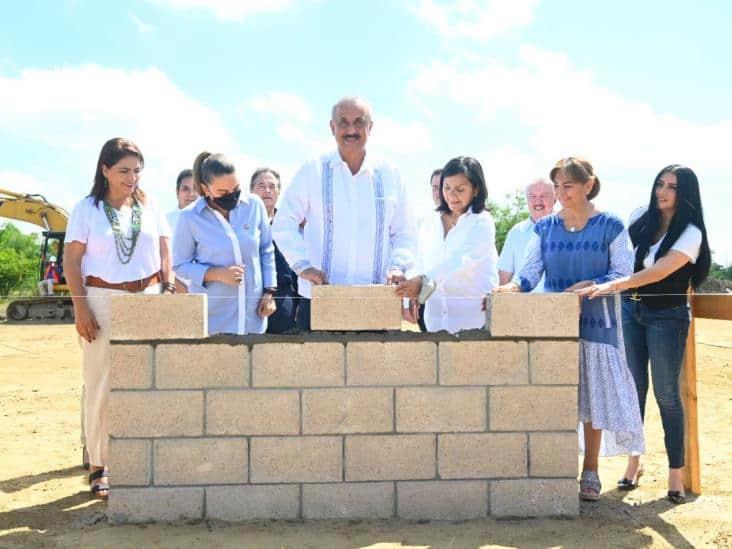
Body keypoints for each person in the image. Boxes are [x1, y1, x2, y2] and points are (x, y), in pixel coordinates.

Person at [494, 157, 645, 502]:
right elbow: (530, 271)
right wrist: (514, 288)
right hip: (557, 325)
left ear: (588, 185)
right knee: (559, 397)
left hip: (599, 324)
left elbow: (623, 273)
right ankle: (557, 468)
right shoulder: (544, 227)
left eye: (568, 186)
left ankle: (590, 470)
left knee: (593, 398)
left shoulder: (611, 225)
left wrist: (589, 285)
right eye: (558, 186)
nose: (561, 194)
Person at [577, 164, 711, 504]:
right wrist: (597, 280)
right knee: (633, 388)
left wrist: (612, 285)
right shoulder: (640, 218)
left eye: (672, 187)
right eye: (660, 184)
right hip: (630, 312)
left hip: (667, 316)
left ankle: (675, 474)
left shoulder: (691, 233)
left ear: (686, 194)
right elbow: (617, 257)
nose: (662, 191)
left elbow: (657, 273)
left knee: (667, 394)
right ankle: (634, 462)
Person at [64, 137, 174, 498]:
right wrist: (81, 308)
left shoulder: (150, 205)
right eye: (124, 171)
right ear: (105, 169)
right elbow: (71, 260)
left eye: (137, 171)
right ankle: (99, 463)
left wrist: (168, 288)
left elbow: (163, 249)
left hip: (148, 298)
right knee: (102, 384)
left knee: (147, 380)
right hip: (102, 300)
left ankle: (142, 459)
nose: (132, 178)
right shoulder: (87, 209)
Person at [272, 96, 416, 329]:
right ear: (332, 127)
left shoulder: (390, 174)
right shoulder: (313, 170)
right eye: (344, 122)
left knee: (376, 367)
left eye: (359, 122)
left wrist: (398, 266)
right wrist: (302, 265)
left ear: (371, 127)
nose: (351, 130)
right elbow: (283, 222)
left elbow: (406, 231)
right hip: (320, 299)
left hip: (377, 299)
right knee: (319, 366)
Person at [173, 152, 276, 335]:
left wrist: (269, 292)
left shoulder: (254, 205)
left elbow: (266, 250)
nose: (232, 196)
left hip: (254, 320)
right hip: (213, 322)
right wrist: (216, 274)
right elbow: (179, 265)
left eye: (236, 189)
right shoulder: (189, 217)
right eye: (223, 192)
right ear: (205, 189)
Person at [396, 156, 498, 333]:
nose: (451, 195)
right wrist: (410, 298)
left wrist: (422, 282)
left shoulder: (482, 221)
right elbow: (419, 261)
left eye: (460, 189)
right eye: (447, 187)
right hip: (435, 321)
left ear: (476, 189)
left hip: (474, 321)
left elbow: (461, 260)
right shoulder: (428, 222)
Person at [250, 167, 299, 333]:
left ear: (279, 192)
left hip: (283, 297)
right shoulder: (241, 225)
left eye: (272, 186)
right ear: (251, 191)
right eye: (261, 186)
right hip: (250, 295)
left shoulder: (290, 225)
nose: (267, 191)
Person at [497, 178, 556, 290]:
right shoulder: (516, 232)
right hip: (522, 304)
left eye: (544, 196)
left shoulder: (566, 228)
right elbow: (504, 275)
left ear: (555, 198)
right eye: (533, 196)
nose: (538, 201)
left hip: (558, 303)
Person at [166, 169, 199, 293]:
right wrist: (182, 290)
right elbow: (160, 261)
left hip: (206, 294)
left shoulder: (211, 223)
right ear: (177, 192)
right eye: (186, 189)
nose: (191, 194)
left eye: (195, 189)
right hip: (173, 292)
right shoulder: (165, 221)